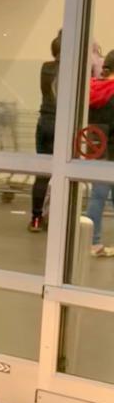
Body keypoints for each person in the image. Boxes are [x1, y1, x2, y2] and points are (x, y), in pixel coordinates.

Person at [29, 32, 60, 232]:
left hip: (45, 121)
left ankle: (36, 218)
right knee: (65, 174)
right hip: (62, 124)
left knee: (42, 174)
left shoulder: (46, 68)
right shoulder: (74, 70)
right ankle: (58, 217)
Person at [86, 48, 114, 257]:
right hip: (112, 150)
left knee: (97, 197)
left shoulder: (93, 87)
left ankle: (93, 242)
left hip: (96, 147)